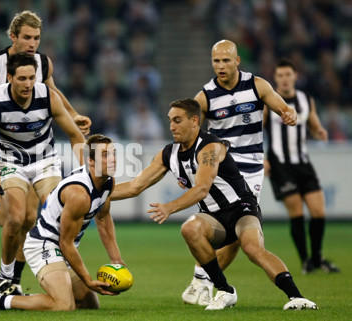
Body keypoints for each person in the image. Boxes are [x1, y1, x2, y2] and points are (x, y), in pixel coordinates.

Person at [111, 98, 317, 310]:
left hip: (241, 209)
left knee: (253, 248)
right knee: (190, 229)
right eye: (170, 120)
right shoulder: (168, 154)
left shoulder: (211, 148)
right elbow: (135, 186)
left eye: (177, 120)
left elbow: (202, 189)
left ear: (194, 121)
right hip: (214, 218)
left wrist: (169, 207)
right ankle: (225, 291)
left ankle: (297, 298)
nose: (172, 126)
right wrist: (98, 195)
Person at [0, 10, 91, 294]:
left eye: (37, 38)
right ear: (13, 37)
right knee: (16, 217)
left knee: (31, 218)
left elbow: (51, 92)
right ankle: (6, 275)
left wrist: (74, 115)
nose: (32, 43)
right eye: (26, 37)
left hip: (40, 153)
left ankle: (14, 274)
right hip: (5, 148)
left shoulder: (41, 64)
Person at [181, 39, 299, 306]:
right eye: (216, 61)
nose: (220, 66)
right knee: (234, 232)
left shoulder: (257, 85)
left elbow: (282, 107)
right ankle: (204, 281)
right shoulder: (205, 96)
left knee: (236, 238)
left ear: (237, 61)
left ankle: (201, 279)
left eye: (225, 60)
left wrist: (288, 113)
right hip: (224, 172)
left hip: (253, 169)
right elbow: (191, 131)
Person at [0, 134, 123, 311]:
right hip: (43, 245)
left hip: (61, 247)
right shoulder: (79, 194)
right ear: (90, 162)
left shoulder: (107, 182)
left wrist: (116, 259)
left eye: (114, 153)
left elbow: (107, 215)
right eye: (106, 155)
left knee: (88, 304)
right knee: (63, 305)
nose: (113, 159)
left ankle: (28, 298)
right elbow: (66, 242)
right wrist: (87, 280)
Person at [264, 59, 339, 274]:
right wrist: (263, 159)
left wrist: (320, 132)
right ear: (275, 79)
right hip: (280, 165)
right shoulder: (269, 102)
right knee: (296, 212)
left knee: (318, 212)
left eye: (288, 75)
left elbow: (313, 125)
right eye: (280, 76)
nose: (284, 79)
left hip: (304, 163)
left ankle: (317, 258)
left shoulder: (306, 100)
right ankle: (306, 261)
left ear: (295, 76)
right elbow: (258, 132)